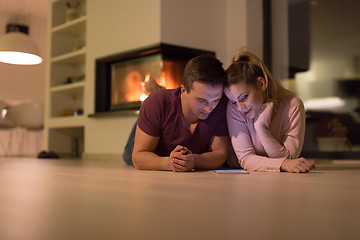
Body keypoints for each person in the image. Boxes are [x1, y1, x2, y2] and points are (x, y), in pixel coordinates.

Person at [132, 55, 230, 171]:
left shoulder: (222, 105)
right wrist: (169, 163)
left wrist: (194, 160)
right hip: (154, 145)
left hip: (166, 126)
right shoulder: (156, 102)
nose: (209, 109)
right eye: (202, 100)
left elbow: (220, 154)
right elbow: (138, 157)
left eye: (215, 100)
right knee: (129, 153)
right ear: (183, 90)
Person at [224, 50, 316, 173]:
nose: (240, 107)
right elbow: (246, 159)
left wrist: (261, 128)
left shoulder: (293, 106)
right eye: (234, 101)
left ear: (261, 84)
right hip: (239, 174)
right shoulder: (234, 109)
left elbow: (290, 159)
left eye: (244, 97)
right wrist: (283, 164)